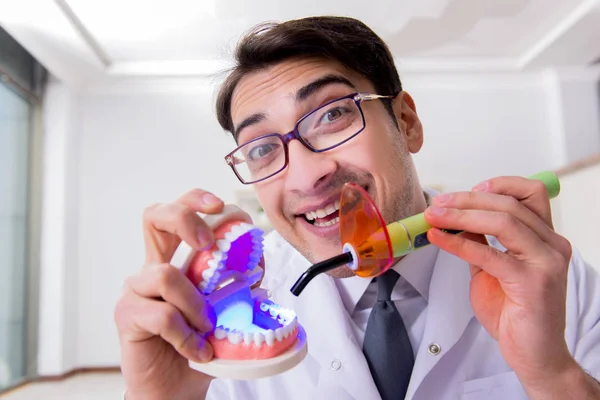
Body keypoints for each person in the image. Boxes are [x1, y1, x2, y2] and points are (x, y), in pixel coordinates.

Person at [114, 16, 600, 399]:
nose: (307, 175)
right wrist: (160, 398)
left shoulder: (556, 285)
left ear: (406, 122)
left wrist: (552, 375)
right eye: (262, 147)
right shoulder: (224, 315)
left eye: (331, 115)